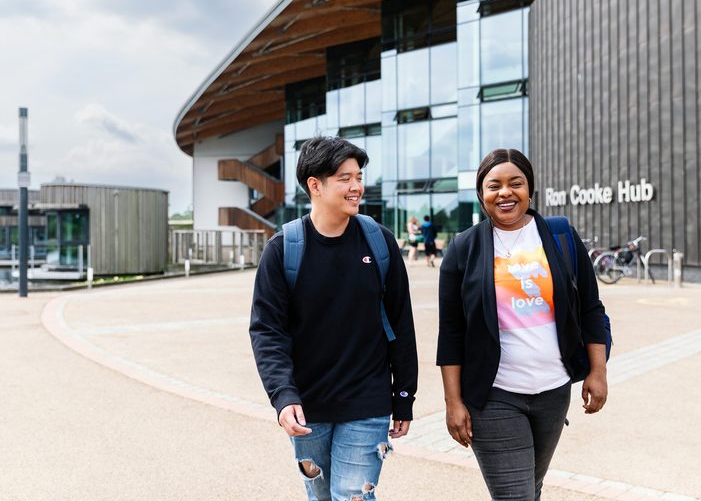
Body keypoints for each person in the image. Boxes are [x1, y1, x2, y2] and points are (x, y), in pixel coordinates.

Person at [250, 136, 418, 501]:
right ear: (315, 185)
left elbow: (401, 323)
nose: (357, 186)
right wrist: (283, 395)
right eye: (345, 178)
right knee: (321, 496)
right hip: (308, 404)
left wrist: (404, 394)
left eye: (358, 176)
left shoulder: (379, 242)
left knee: (352, 496)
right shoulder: (284, 250)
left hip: (368, 400)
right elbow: (267, 331)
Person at [436, 148, 609, 501]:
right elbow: (451, 332)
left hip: (553, 391)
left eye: (516, 183)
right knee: (515, 496)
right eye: (493, 185)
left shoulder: (561, 236)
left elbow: (591, 309)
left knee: (531, 488)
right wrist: (453, 402)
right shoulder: (463, 249)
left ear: (530, 189)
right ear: (481, 194)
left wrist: (598, 371)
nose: (505, 192)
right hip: (494, 394)